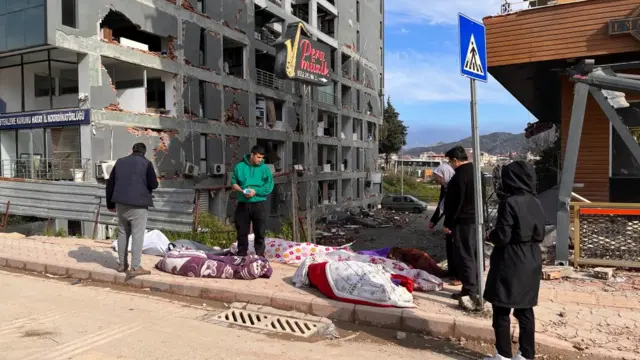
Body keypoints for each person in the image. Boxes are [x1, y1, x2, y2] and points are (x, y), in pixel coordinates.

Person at [483, 161, 545, 360]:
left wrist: (490, 235)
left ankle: (503, 355)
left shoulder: (509, 203)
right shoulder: (536, 201)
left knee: (501, 309)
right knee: (525, 310)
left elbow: (503, 236)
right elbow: (540, 234)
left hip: (510, 260)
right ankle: (526, 354)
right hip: (532, 259)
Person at [106, 142, 159, 276]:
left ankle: (122, 265)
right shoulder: (146, 163)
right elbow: (154, 184)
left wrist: (110, 204)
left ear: (132, 150)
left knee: (123, 232)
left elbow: (110, 184)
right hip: (139, 205)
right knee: (137, 234)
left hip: (120, 203)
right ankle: (135, 268)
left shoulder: (120, 162)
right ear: (144, 152)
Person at [442, 146, 479, 310]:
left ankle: (471, 292)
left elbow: (455, 203)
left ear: (455, 160)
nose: (450, 165)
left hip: (463, 221)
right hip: (475, 220)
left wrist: (448, 223)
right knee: (473, 254)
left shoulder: (459, 177)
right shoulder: (475, 172)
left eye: (450, 162)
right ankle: (469, 289)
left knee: (464, 256)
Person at [231, 145, 274, 257]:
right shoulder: (239, 167)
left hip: (258, 204)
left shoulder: (265, 169)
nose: (260, 160)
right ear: (252, 155)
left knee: (260, 232)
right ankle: (241, 256)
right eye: (258, 157)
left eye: (262, 158)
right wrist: (241, 190)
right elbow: (233, 183)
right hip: (243, 204)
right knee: (242, 232)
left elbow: (269, 186)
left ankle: (260, 257)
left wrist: (256, 191)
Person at [428, 162, 460, 285]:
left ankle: (459, 276)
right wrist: (433, 221)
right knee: (450, 248)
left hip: (457, 223)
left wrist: (450, 224)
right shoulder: (446, 187)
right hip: (449, 222)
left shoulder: (456, 186)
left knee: (457, 249)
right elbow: (442, 205)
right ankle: (452, 272)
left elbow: (455, 207)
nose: (437, 181)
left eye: (438, 178)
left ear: (445, 175)